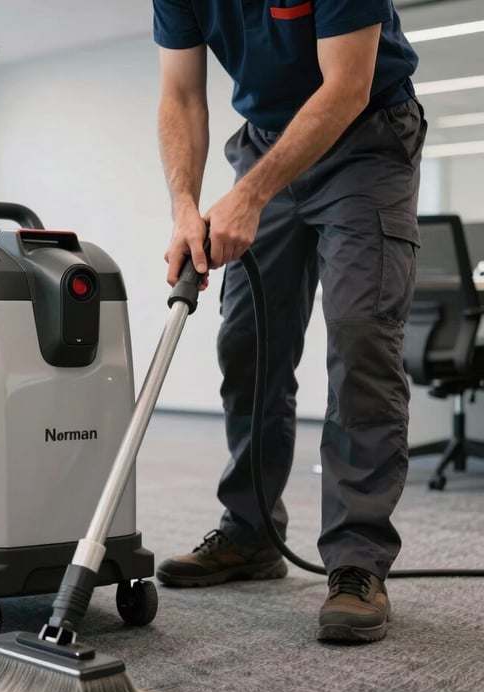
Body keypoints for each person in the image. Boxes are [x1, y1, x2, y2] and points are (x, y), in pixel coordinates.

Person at [153, 0, 427, 643]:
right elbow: (181, 94)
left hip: (366, 136)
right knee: (247, 341)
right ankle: (250, 533)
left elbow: (348, 84)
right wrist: (186, 207)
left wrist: (249, 195)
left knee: (361, 338)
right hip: (268, 139)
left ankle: (358, 561)